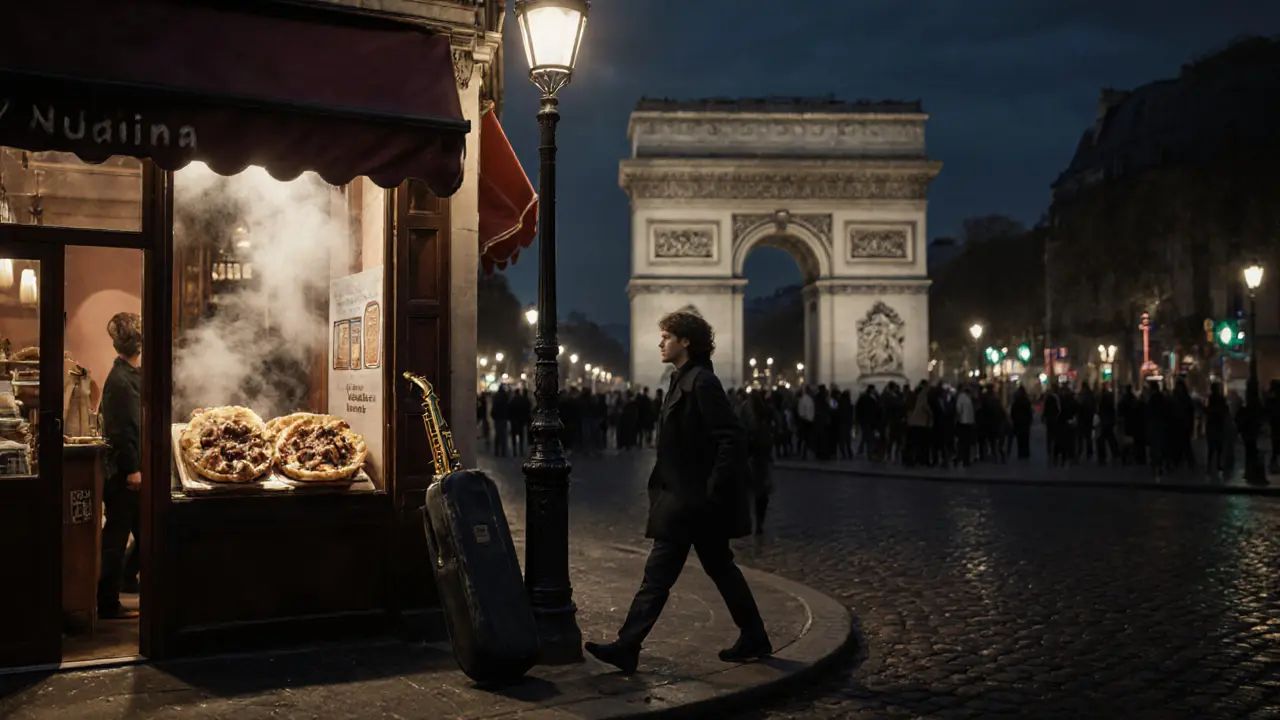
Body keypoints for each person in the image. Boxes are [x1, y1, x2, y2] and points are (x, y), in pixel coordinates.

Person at [585, 311, 770, 674]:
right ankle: (754, 635)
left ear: (686, 341)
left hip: (692, 500)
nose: (660, 342)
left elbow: (732, 437)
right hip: (687, 498)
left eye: (667, 336)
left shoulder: (702, 383)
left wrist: (713, 487)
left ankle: (628, 645)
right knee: (718, 568)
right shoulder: (683, 379)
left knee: (661, 574)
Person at [98, 312, 143, 620]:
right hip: (124, 473)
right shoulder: (120, 381)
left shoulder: (128, 375)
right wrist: (132, 469)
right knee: (115, 537)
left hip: (129, 469)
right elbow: (122, 430)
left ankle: (126, 580)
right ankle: (107, 603)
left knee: (145, 530)